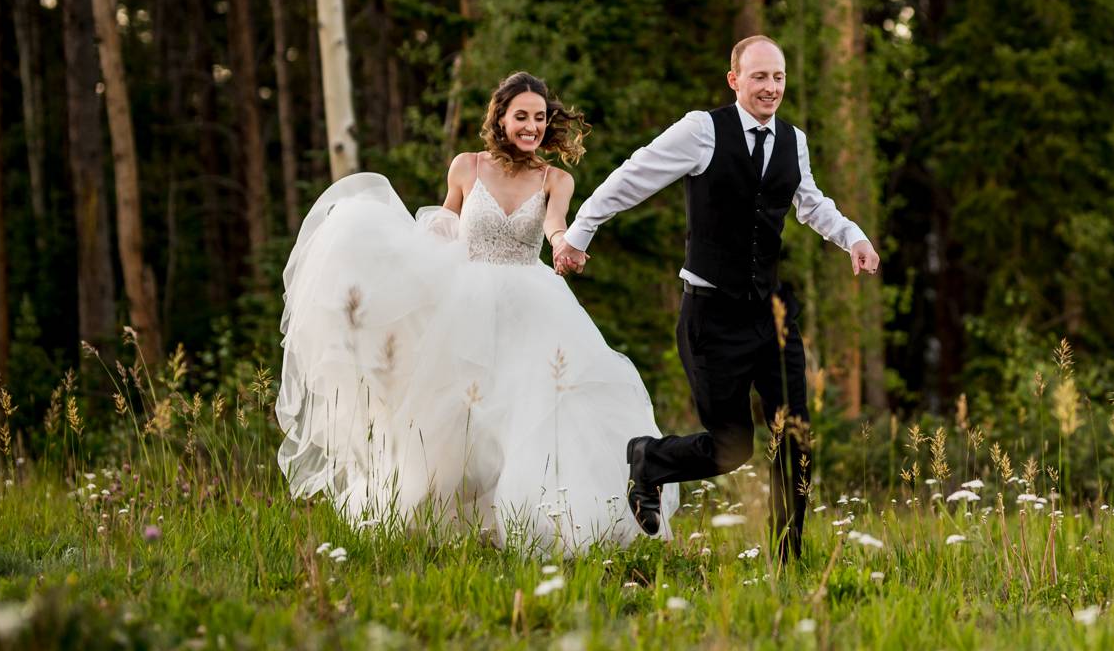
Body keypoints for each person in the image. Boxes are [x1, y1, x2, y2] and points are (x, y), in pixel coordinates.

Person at [275, 71, 677, 552]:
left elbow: (554, 226)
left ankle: (537, 522)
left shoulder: (556, 179)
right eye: (521, 116)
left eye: (539, 118)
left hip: (533, 304)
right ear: (501, 118)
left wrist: (564, 248)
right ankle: (446, 524)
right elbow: (445, 224)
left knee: (537, 408)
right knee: (459, 414)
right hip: (466, 302)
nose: (530, 126)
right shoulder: (466, 167)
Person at [552, 35, 877, 553]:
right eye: (759, 77)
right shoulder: (701, 131)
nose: (771, 88)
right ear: (734, 81)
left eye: (778, 77)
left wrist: (853, 237)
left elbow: (809, 201)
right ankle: (650, 459)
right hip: (710, 314)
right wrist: (579, 232)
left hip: (770, 314)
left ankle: (788, 555)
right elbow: (634, 176)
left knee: (795, 433)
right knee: (731, 448)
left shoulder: (794, 140)